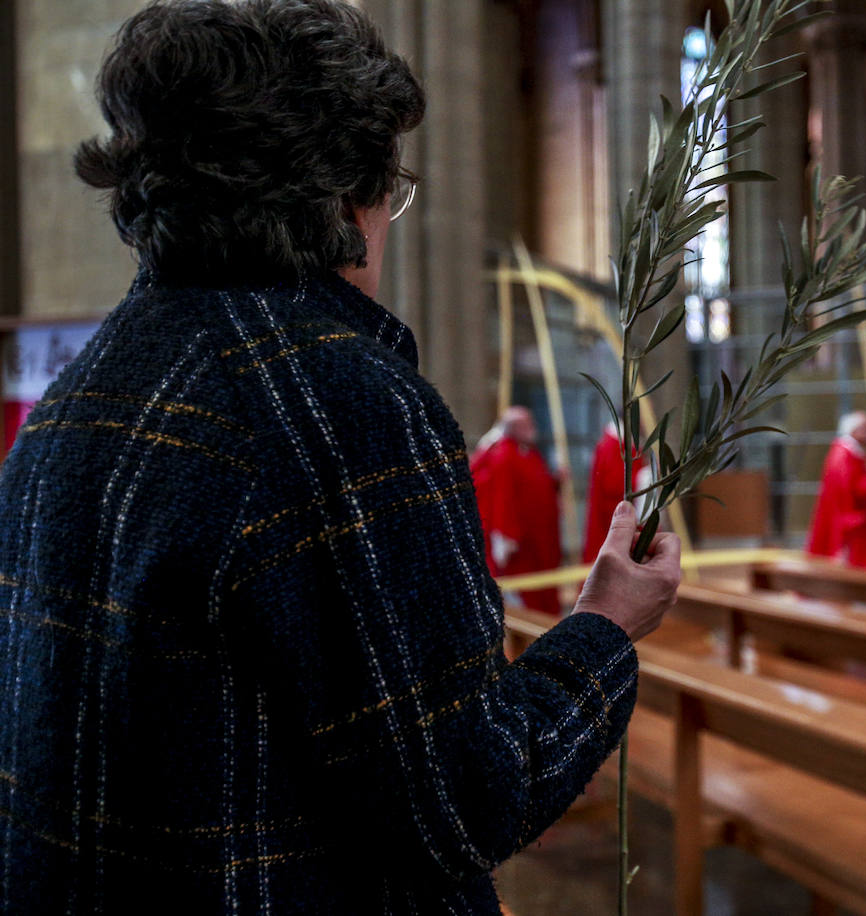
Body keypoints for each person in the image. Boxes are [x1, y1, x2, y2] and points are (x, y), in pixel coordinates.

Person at [0, 3, 680, 913]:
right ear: (341, 200)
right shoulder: (341, 403)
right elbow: (464, 800)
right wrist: (604, 629)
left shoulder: (67, 407)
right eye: (390, 188)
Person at [469, 406, 564, 614]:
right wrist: (506, 535)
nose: (532, 428)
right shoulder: (504, 454)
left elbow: (535, 486)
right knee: (524, 602)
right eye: (526, 424)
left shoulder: (528, 451)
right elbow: (503, 497)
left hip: (538, 540)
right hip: (521, 545)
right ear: (513, 428)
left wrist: (555, 483)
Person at [805, 410, 866, 569]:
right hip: (848, 521)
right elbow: (854, 489)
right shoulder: (843, 456)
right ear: (854, 430)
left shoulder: (847, 453)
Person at [582, 422, 648, 564]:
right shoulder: (612, 445)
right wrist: (646, 475)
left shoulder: (625, 444)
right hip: (611, 519)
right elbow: (613, 484)